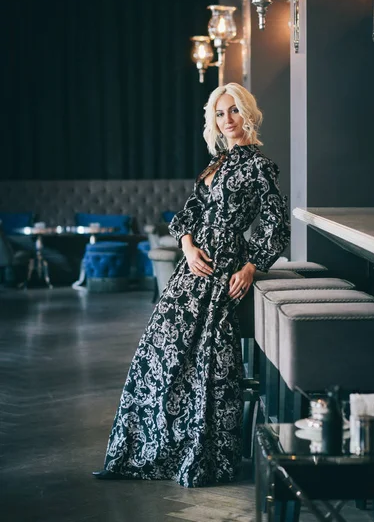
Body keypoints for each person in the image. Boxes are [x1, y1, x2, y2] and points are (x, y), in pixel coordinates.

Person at [93, 82, 290, 488]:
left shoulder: (260, 166)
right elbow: (188, 214)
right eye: (220, 114)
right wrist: (186, 246)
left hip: (225, 270)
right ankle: (143, 450)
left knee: (205, 360)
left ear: (247, 114)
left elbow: (276, 226)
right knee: (158, 353)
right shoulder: (214, 165)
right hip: (193, 267)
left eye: (233, 111)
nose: (227, 120)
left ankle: (201, 456)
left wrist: (251, 267)